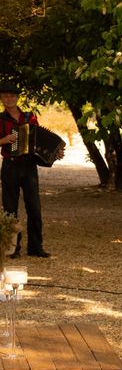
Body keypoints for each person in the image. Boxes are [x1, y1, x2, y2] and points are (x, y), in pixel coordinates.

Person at [0, 82, 51, 258]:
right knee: (10, 209)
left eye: (12, 95)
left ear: (17, 97)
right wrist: (3, 140)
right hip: (10, 166)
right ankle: (13, 248)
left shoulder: (30, 118)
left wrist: (53, 152)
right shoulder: (0, 120)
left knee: (34, 208)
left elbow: (40, 141)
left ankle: (36, 247)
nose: (9, 98)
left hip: (29, 167)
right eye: (5, 95)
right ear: (1, 99)